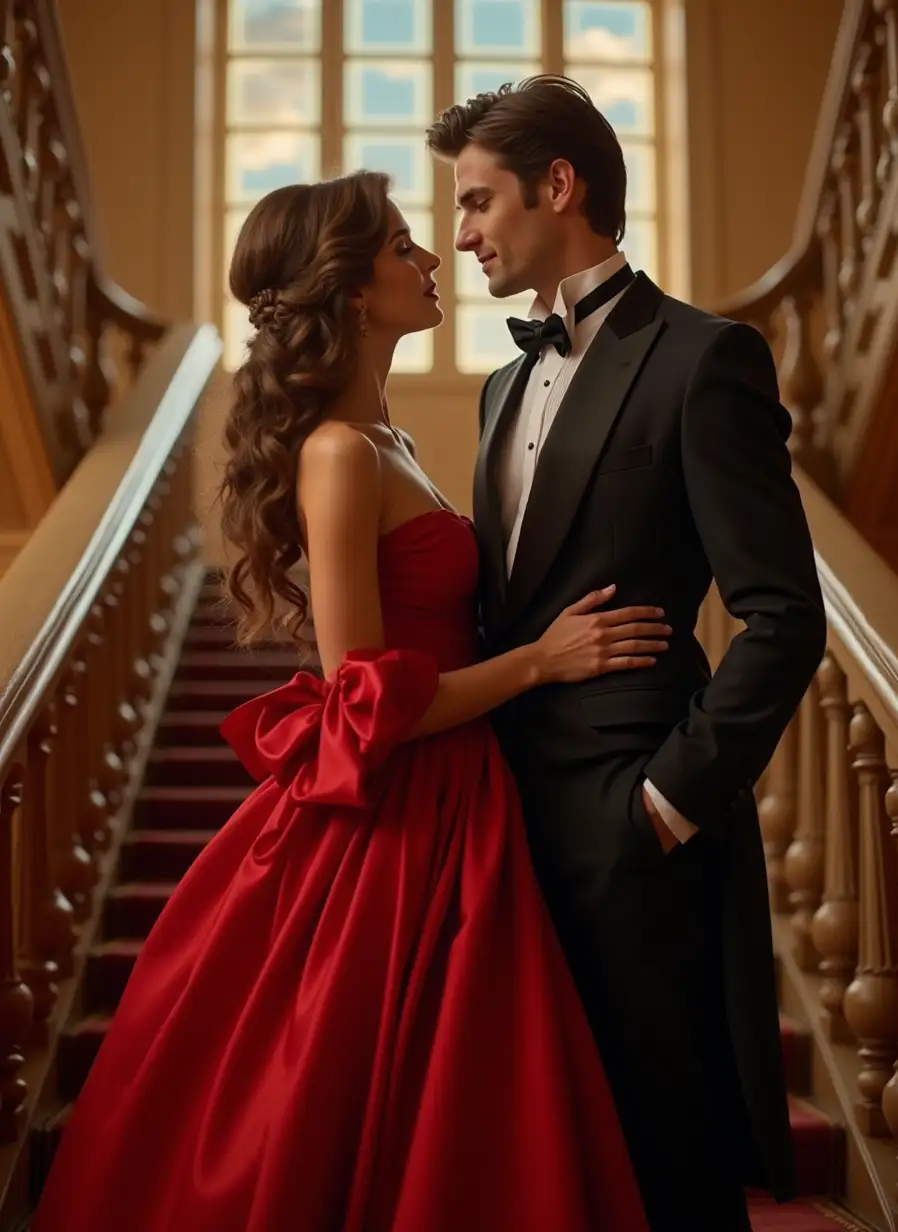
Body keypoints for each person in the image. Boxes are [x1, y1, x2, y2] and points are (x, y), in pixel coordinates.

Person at [31, 172, 661, 1231]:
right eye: (404, 248)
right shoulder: (335, 454)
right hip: (398, 816)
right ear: (351, 292)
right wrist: (539, 665)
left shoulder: (393, 444)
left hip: (461, 789)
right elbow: (359, 700)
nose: (432, 261)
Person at [426, 76, 828, 1232]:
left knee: (665, 1157)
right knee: (535, 1162)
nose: (461, 234)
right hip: (494, 822)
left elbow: (783, 613)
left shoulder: (705, 358)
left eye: (476, 200)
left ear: (560, 186)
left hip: (629, 825)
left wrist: (661, 802)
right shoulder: (502, 385)